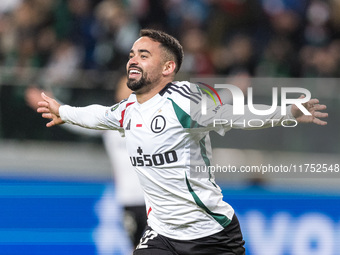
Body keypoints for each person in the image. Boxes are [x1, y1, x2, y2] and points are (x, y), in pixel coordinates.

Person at [37, 29, 328, 255]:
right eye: (132, 53)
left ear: (167, 68)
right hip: (162, 234)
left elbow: (232, 116)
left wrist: (287, 112)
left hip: (211, 236)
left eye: (144, 55)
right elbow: (99, 115)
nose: (132, 60)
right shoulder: (128, 110)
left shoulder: (183, 103)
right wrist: (63, 111)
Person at [25, 78, 147, 248]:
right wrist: (56, 107)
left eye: (128, 85)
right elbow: (82, 120)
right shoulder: (111, 121)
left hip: (153, 198)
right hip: (128, 199)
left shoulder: (152, 120)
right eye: (121, 86)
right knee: (136, 248)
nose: (122, 90)